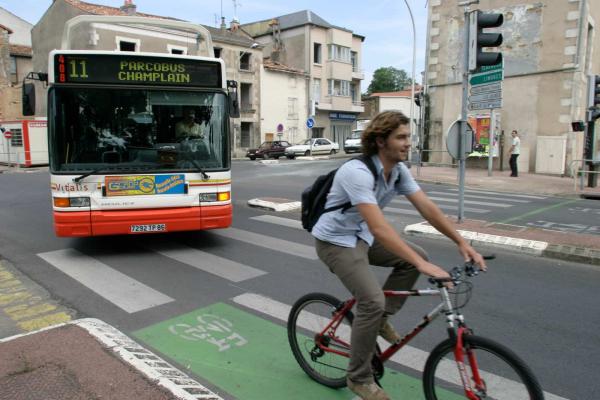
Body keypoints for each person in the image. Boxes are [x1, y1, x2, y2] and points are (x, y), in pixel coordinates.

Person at [311, 110, 486, 400]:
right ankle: (359, 378)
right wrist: (424, 266)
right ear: (381, 141)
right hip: (335, 242)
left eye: (409, 137)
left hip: (361, 235)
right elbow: (380, 228)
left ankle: (380, 319)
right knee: (372, 300)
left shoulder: (398, 171)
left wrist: (461, 242)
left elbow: (426, 207)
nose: (409, 143)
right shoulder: (356, 172)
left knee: (413, 256)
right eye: (401, 137)